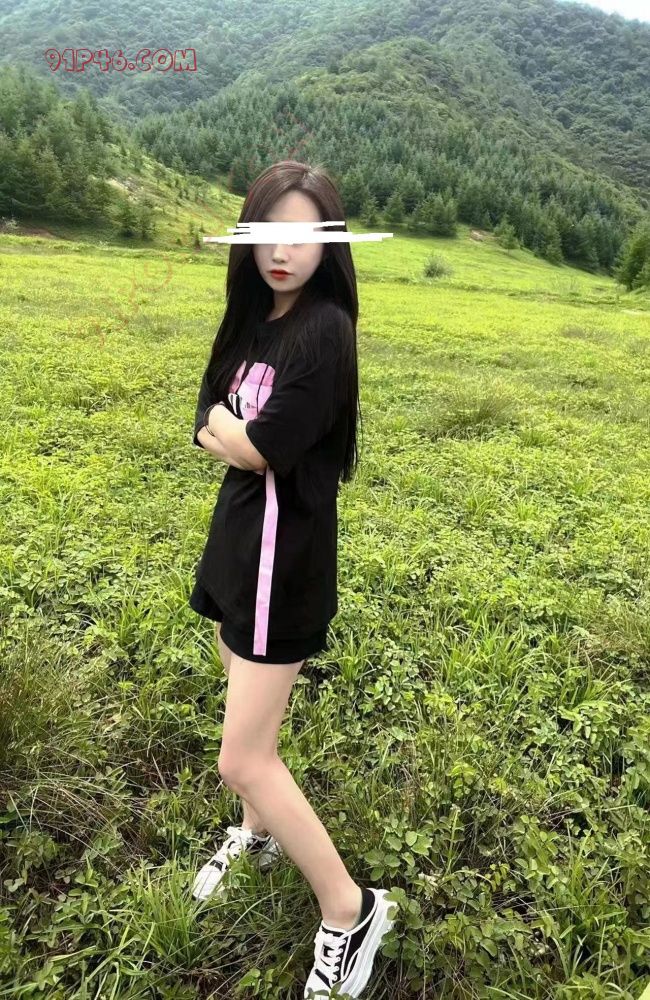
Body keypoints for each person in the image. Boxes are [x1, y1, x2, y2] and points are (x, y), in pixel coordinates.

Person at [188, 160, 399, 998]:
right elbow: (204, 416)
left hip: (286, 560)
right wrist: (235, 435)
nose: (283, 251)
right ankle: (258, 833)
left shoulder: (325, 330)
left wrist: (239, 436)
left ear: (329, 244)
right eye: (268, 232)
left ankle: (352, 910)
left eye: (303, 235)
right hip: (237, 542)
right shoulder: (250, 317)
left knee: (241, 757)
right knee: (245, 711)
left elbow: (266, 445)